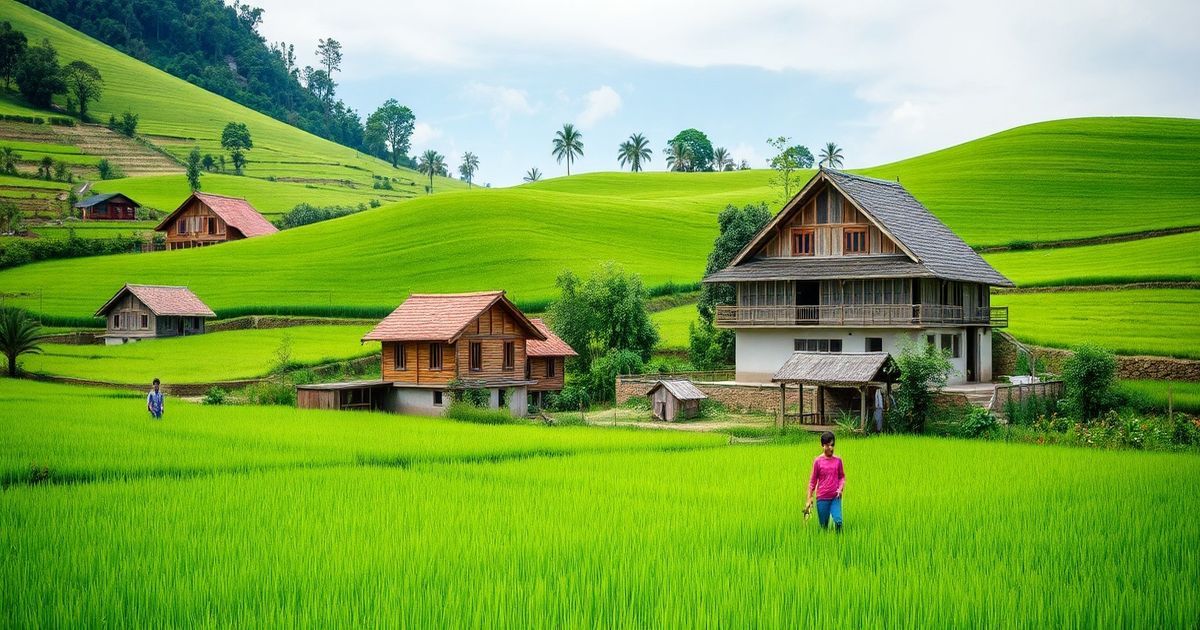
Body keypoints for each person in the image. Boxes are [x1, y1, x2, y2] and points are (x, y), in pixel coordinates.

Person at [803, 431, 845, 531]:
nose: (831, 448)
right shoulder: (818, 461)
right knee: (824, 526)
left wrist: (840, 489)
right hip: (822, 498)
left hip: (835, 497)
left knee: (838, 521)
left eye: (832, 445)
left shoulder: (838, 461)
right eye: (828, 445)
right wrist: (809, 498)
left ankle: (839, 539)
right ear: (822, 445)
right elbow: (812, 482)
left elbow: (842, 477)